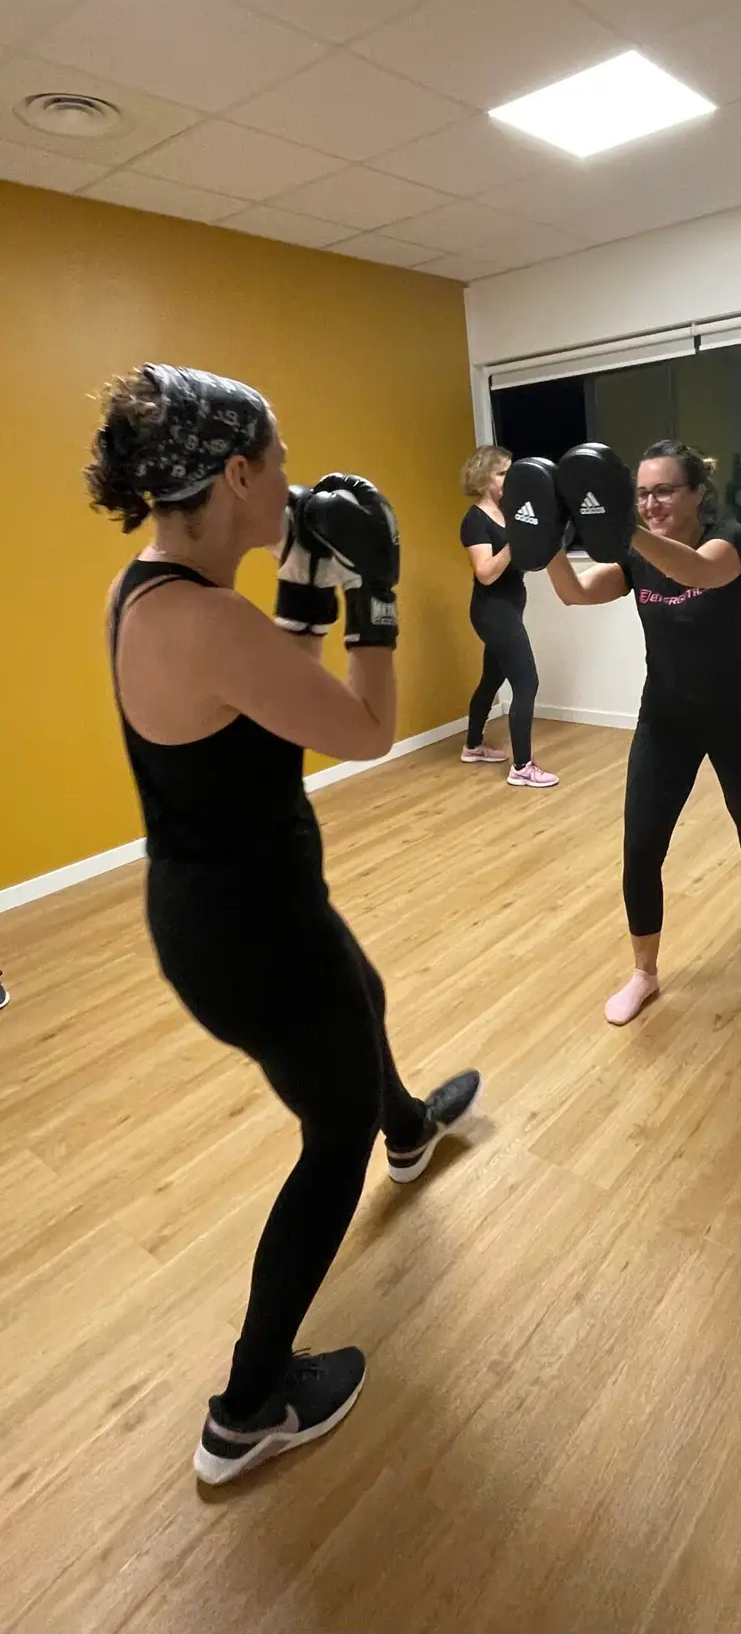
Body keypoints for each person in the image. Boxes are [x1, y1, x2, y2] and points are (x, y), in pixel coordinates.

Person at [86, 364, 480, 1485]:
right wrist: (382, 592)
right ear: (241, 474)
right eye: (284, 462)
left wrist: (306, 577)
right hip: (250, 930)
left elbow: (265, 703)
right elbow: (359, 729)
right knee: (327, 1136)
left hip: (228, 908)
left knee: (363, 998)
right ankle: (249, 1405)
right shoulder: (207, 620)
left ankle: (409, 1130)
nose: (295, 481)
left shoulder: (151, 589)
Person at [546, 439, 741, 1027]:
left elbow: (700, 572)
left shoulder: (727, 538)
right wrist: (548, 545)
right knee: (640, 846)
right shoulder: (635, 557)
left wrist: (621, 526)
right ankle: (645, 973)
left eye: (663, 490)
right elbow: (574, 593)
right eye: (641, 493)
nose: (651, 502)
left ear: (696, 493)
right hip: (667, 717)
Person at [458, 444, 556, 788]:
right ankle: (523, 767)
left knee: (491, 680)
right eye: (502, 473)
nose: (509, 480)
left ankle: (472, 746)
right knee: (527, 682)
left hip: (510, 607)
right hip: (492, 611)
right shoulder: (475, 520)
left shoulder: (509, 512)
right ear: (485, 478)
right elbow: (485, 572)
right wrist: (515, 539)